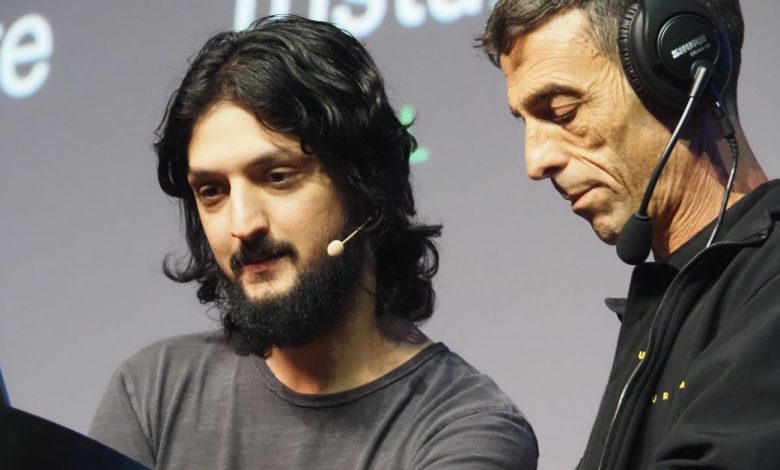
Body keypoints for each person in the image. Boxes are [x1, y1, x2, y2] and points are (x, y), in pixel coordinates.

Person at [89, 15, 538, 470]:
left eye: (277, 177)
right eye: (212, 191)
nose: (242, 224)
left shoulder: (467, 427)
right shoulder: (153, 390)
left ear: (365, 186)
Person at [481, 0, 780, 468]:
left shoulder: (768, 283)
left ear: (682, 73)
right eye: (526, 121)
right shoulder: (669, 305)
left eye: (561, 111)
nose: (535, 162)